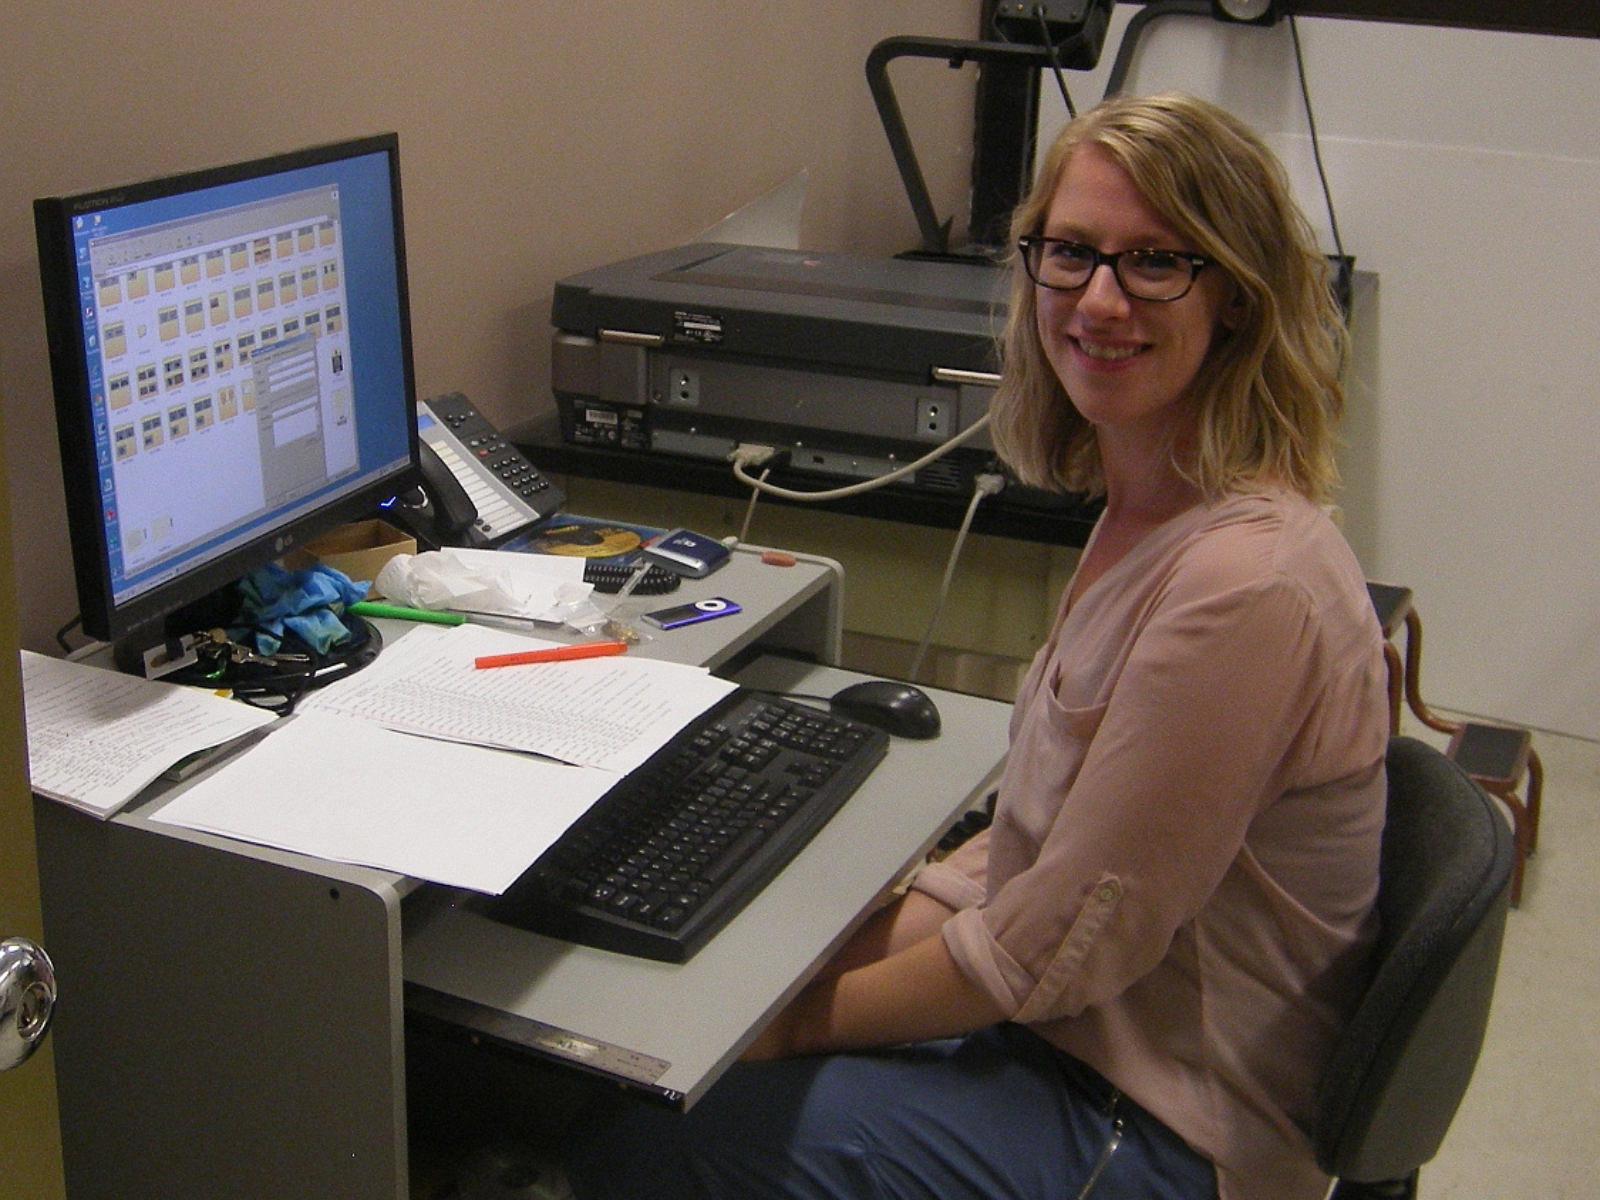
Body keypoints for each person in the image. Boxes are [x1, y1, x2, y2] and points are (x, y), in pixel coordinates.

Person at [564, 92, 1390, 1200]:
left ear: (1234, 294)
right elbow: (1022, 855)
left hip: (1159, 1128)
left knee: (655, 1137)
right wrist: (809, 962)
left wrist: (785, 1021)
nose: (1099, 300)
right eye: (1071, 253)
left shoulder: (1244, 588)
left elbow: (1049, 951)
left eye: (1155, 262)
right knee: (672, 1052)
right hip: (1074, 1043)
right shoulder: (1152, 507)